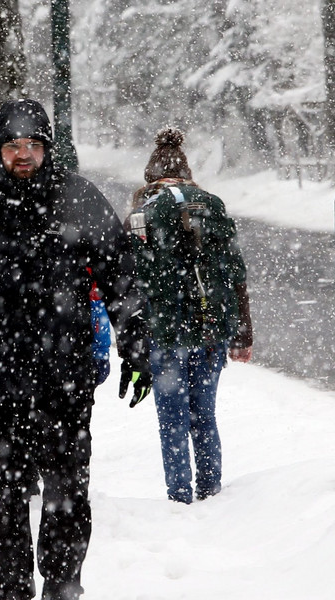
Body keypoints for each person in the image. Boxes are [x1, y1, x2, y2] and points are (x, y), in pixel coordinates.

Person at [0, 99, 149, 600]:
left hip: (63, 377)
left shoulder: (77, 199)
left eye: (33, 145)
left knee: (67, 492)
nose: (24, 155)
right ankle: (10, 591)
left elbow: (120, 277)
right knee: (2, 495)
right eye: (14, 146)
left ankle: (64, 585)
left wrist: (136, 347)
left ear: (48, 149)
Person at [127, 127, 253, 504]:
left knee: (172, 420)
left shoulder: (143, 212)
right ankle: (210, 490)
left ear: (151, 176)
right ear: (186, 171)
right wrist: (242, 333)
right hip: (211, 328)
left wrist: (132, 338)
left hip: (165, 332)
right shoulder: (213, 205)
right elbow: (235, 273)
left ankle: (179, 497)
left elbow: (131, 280)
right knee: (205, 414)